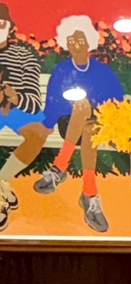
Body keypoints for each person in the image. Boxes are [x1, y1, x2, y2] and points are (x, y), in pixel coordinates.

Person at [28, 15, 124, 233]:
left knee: (90, 126)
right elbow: (52, 102)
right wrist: (47, 124)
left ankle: (62, 170)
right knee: (82, 108)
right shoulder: (62, 70)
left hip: (98, 124)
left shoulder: (102, 71)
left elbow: (117, 100)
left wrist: (101, 112)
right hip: (68, 123)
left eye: (80, 40)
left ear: (89, 42)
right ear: (66, 43)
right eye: (71, 40)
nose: (76, 44)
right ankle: (88, 193)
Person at [0, 2, 45, 232]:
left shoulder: (24, 55)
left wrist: (16, 97)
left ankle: (1, 182)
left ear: (10, 27)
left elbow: (34, 101)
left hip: (15, 108)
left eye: (0, 24)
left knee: (38, 133)